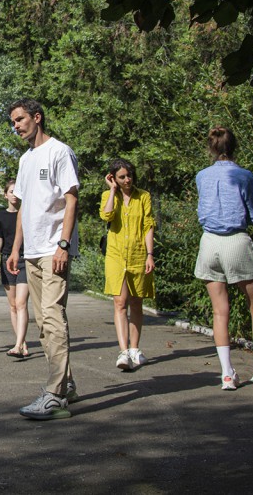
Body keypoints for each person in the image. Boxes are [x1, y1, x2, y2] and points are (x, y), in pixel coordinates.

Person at [7, 98, 79, 420]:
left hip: (53, 249)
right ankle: (67, 382)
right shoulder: (25, 160)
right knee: (42, 323)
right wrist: (15, 249)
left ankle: (54, 393)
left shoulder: (59, 152)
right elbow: (23, 208)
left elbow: (71, 198)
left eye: (20, 119)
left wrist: (64, 244)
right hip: (32, 252)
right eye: (13, 122)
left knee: (52, 317)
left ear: (37, 118)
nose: (16, 126)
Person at [195, 126, 253, 390]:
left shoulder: (202, 176)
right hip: (236, 241)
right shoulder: (244, 175)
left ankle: (227, 375)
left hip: (208, 243)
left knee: (220, 311)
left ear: (211, 147)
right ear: (234, 146)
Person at [100, 158, 156, 371]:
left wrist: (150, 254)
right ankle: (123, 351)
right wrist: (113, 191)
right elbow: (106, 215)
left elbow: (148, 225)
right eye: (122, 177)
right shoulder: (108, 196)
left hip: (138, 254)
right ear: (113, 178)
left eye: (129, 175)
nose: (127, 180)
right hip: (115, 255)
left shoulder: (143, 197)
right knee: (119, 302)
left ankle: (135, 349)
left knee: (136, 302)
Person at [0, 179, 29, 358]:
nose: (14, 194)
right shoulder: (0, 216)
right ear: (5, 194)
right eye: (11, 191)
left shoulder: (27, 213)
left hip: (25, 260)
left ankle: (18, 344)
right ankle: (21, 342)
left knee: (21, 303)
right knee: (13, 305)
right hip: (7, 261)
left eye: (17, 191)